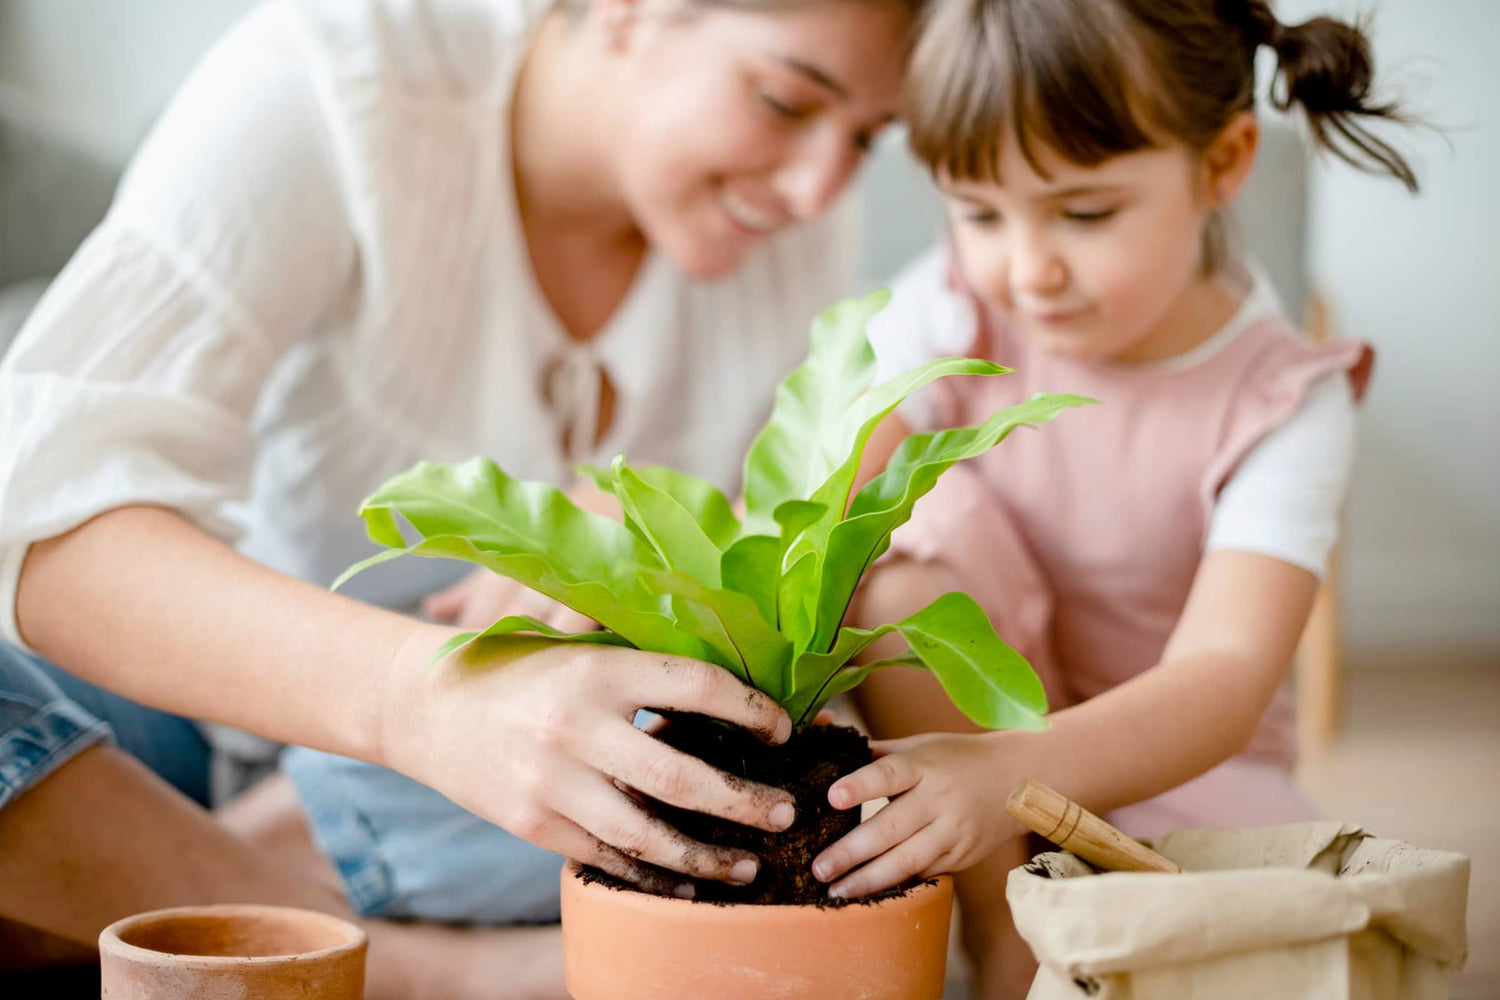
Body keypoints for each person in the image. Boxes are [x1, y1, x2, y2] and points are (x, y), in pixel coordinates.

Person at [0, 0, 921, 993]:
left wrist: (661, 528)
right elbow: (46, 521)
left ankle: (160, 897)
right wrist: (421, 699)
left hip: (486, 818)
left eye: (869, 138)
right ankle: (398, 967)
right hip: (173, 733)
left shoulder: (781, 212)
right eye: (786, 102)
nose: (821, 185)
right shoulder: (341, 84)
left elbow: (823, 512)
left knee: (780, 748)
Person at [809, 0, 1417, 996]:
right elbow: (826, 500)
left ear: (1221, 165)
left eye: (1085, 212)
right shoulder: (956, 303)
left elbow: (1224, 677)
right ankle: (999, 928)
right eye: (977, 212)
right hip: (980, 751)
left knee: (1255, 958)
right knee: (897, 577)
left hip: (1176, 761)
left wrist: (1009, 777)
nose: (1027, 268)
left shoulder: (1282, 399)